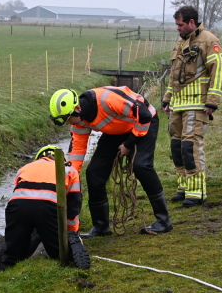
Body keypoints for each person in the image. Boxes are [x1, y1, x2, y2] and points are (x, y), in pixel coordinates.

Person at [48, 86, 173, 236]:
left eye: (68, 119)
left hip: (143, 121)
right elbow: (77, 152)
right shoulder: (78, 121)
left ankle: (163, 221)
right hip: (116, 130)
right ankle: (101, 227)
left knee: (141, 166)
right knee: (94, 173)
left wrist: (128, 144)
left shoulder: (107, 99)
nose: (69, 123)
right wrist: (69, 181)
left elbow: (144, 115)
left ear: (78, 108)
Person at [162, 5, 222, 208]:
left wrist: (212, 101)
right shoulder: (180, 43)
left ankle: (197, 191)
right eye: (176, 25)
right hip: (178, 105)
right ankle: (184, 187)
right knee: (177, 147)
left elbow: (218, 71)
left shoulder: (209, 41)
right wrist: (167, 98)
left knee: (190, 147)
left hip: (197, 105)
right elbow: (174, 75)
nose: (177, 28)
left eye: (180, 25)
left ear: (191, 22)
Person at [0, 145, 91, 270]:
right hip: (47, 208)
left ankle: (6, 268)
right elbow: (73, 207)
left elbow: (18, 191)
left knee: (14, 252)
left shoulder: (24, 168)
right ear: (62, 160)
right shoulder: (69, 170)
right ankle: (67, 251)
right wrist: (71, 232)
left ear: (38, 158)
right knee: (57, 252)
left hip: (17, 207)